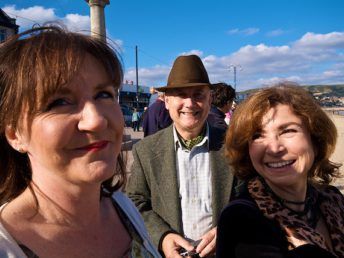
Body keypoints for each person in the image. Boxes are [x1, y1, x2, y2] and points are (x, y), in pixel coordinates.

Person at [0, 26, 160, 258]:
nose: (95, 121)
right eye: (59, 102)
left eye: (104, 94)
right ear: (15, 135)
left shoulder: (122, 208)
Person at [217, 83, 344, 258]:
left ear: (315, 140)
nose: (274, 148)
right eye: (257, 136)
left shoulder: (333, 199)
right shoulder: (243, 219)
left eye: (288, 131)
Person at [126, 55, 235, 258]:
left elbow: (249, 198)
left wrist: (229, 230)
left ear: (210, 99)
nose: (190, 103)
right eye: (181, 95)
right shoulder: (146, 150)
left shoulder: (233, 146)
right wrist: (163, 237)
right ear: (167, 101)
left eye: (198, 95)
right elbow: (135, 201)